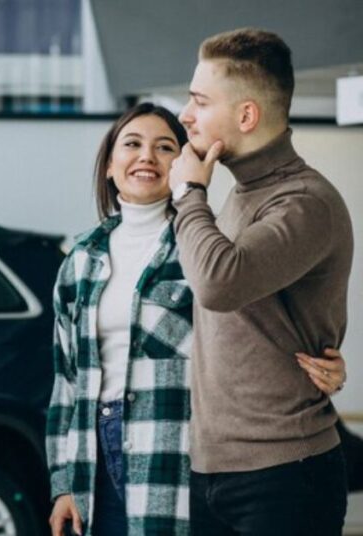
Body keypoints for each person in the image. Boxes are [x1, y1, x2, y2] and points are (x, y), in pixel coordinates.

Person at [45, 103, 346, 536]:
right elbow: (66, 382)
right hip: (92, 461)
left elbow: (262, 339)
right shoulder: (79, 259)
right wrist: (63, 485)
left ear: (184, 163)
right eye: (132, 144)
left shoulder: (207, 246)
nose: (147, 156)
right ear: (110, 165)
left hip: (176, 447)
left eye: (165, 147)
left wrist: (327, 368)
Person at [166, 28, 353, 535]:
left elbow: (218, 285)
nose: (185, 115)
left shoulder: (305, 202)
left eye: (199, 101)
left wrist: (188, 194)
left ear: (246, 116)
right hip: (214, 469)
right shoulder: (239, 194)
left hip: (283, 476)